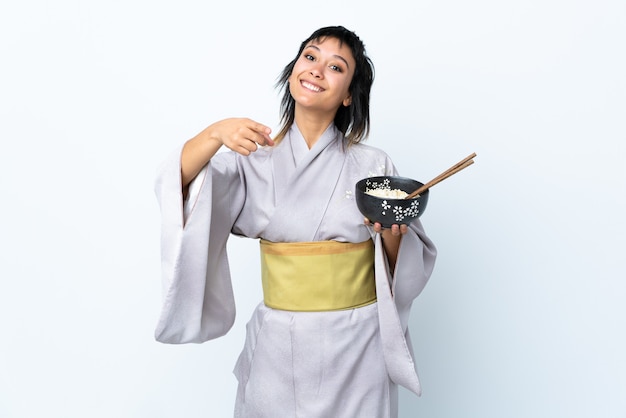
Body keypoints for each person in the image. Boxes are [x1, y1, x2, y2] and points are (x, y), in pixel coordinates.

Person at [154, 25, 437, 418]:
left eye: (336, 67)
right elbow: (181, 189)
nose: (317, 70)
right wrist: (216, 133)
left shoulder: (373, 165)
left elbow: (401, 267)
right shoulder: (250, 156)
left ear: (348, 96)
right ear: (292, 73)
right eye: (310, 57)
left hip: (356, 346)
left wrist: (390, 235)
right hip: (277, 344)